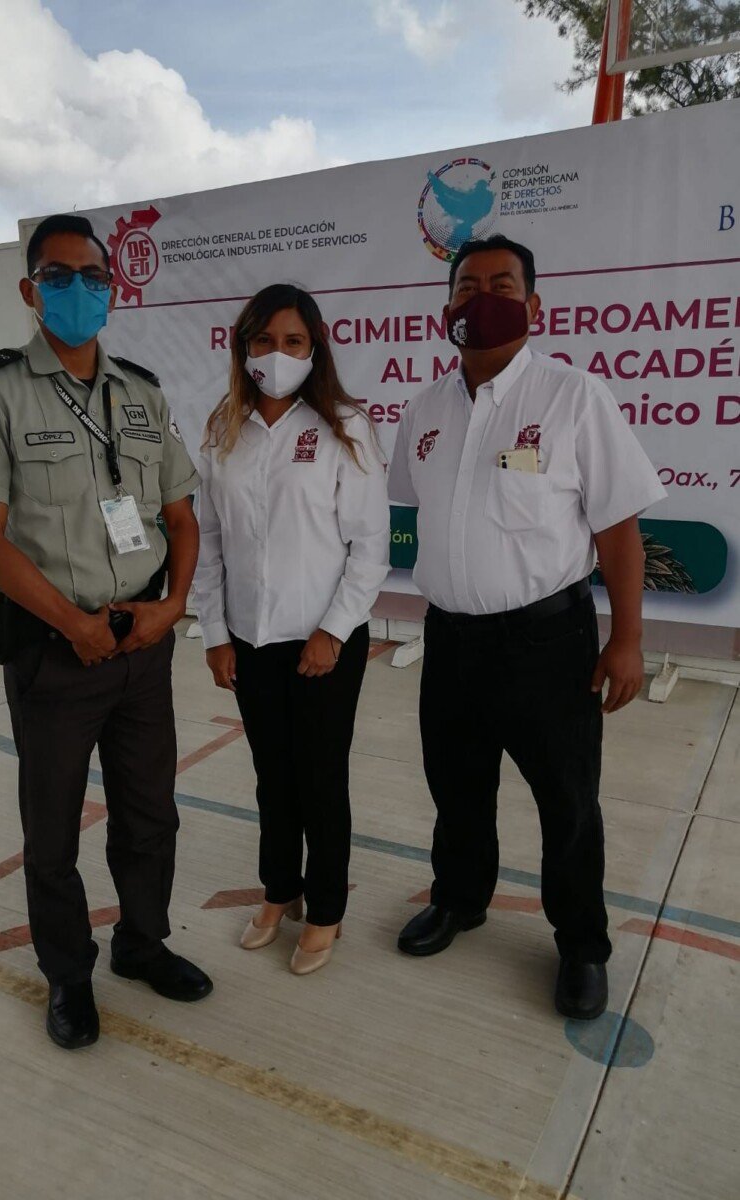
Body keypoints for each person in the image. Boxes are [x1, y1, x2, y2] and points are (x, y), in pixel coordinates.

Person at [0, 213, 213, 1050]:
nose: (78, 290)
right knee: (53, 831)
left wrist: (172, 605)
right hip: (54, 653)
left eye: (92, 276)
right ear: (31, 290)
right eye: (58, 277)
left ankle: (142, 943)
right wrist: (73, 625)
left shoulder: (143, 392)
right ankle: (67, 974)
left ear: (112, 288)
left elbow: (180, 519)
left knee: (150, 814)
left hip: (141, 645)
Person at [389, 234, 666, 1020]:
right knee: (456, 788)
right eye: (466, 286)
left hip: (547, 644)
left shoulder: (573, 397)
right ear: (446, 306)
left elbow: (617, 531)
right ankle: (458, 898)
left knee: (567, 803)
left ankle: (580, 944)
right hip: (450, 640)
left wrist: (626, 640)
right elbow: (420, 506)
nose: (482, 298)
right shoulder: (423, 410)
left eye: (501, 285)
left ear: (533, 305)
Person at [194, 284, 390, 975]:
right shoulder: (223, 428)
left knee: (319, 780)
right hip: (249, 640)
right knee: (272, 778)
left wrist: (332, 631)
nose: (276, 354)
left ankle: (326, 909)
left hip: (323, 643)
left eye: (292, 341)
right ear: (243, 347)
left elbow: (370, 547)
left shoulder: (344, 425)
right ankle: (281, 890)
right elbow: (209, 542)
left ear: (314, 349)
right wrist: (214, 633)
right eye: (263, 341)